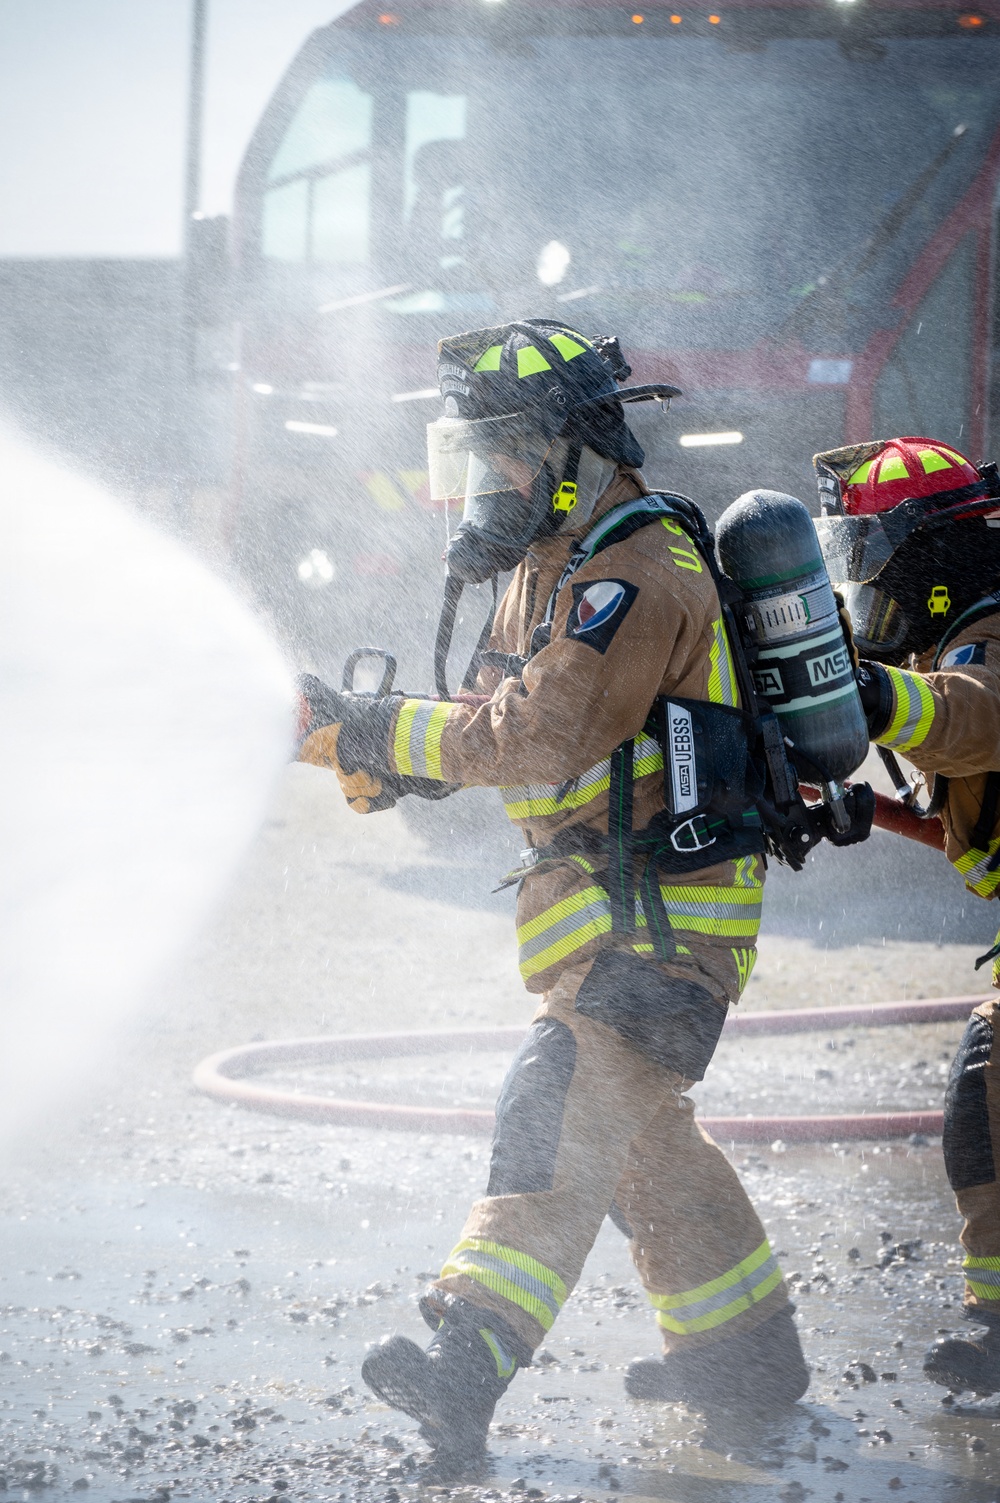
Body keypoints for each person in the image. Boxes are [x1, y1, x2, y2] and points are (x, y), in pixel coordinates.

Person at [298, 320, 808, 1472]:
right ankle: (749, 1362)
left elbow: (539, 734)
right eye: (474, 458)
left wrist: (367, 728)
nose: (490, 483)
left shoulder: (633, 571)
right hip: (602, 927)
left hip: (667, 936)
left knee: (554, 1116)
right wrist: (373, 754)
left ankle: (464, 1364)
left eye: (506, 456)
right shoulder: (550, 564)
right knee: (643, 1147)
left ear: (571, 449)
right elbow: (488, 726)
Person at [814, 434, 1000, 1396]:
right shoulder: (961, 629)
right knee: (982, 1102)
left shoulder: (986, 637)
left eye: (866, 563)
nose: (860, 592)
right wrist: (871, 811)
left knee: (986, 1094)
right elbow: (980, 829)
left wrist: (862, 692)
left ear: (923, 564)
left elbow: (971, 716)